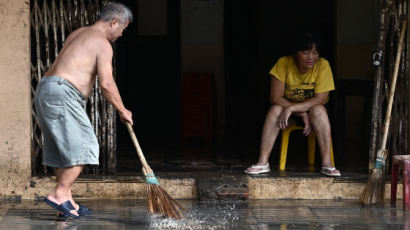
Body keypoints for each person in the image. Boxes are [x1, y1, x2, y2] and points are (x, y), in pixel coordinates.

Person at [34, 1, 133, 219]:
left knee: (64, 151)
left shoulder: (80, 32)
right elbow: (107, 84)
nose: (121, 35)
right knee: (86, 146)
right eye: (122, 29)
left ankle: (67, 200)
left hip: (46, 89)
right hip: (63, 92)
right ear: (114, 22)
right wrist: (122, 110)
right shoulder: (103, 44)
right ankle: (59, 193)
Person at [244, 33, 341, 177]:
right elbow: (275, 97)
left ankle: (327, 164)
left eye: (315, 53)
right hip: (288, 115)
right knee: (275, 109)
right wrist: (300, 112)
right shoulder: (284, 63)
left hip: (314, 113)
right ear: (296, 52)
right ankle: (262, 162)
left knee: (319, 110)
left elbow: (320, 99)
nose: (311, 57)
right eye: (306, 52)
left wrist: (292, 108)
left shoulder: (322, 65)